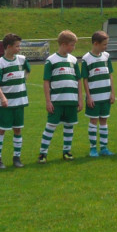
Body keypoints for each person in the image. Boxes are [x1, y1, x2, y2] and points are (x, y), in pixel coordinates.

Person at [39, 30, 81, 162]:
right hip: (56, 101)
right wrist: (48, 101)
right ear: (64, 44)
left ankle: (67, 151)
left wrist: (80, 99)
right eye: (72, 45)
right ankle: (43, 153)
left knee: (69, 126)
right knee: (50, 126)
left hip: (71, 101)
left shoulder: (73, 60)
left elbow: (78, 80)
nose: (73, 48)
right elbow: (46, 81)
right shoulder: (51, 60)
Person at [0, 32, 30, 168]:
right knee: (1, 130)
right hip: (6, 104)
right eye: (17, 46)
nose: (19, 49)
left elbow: (28, 70)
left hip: (19, 101)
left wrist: (23, 79)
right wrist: (2, 97)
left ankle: (17, 158)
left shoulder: (22, 59)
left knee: (18, 130)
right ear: (8, 47)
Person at [81, 30, 115, 158]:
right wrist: (88, 97)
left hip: (106, 95)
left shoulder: (106, 56)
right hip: (94, 97)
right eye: (104, 44)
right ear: (96, 43)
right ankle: (93, 148)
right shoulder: (86, 59)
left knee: (104, 120)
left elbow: (110, 75)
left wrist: (112, 92)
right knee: (93, 121)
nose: (106, 47)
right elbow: (85, 79)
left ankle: (104, 147)